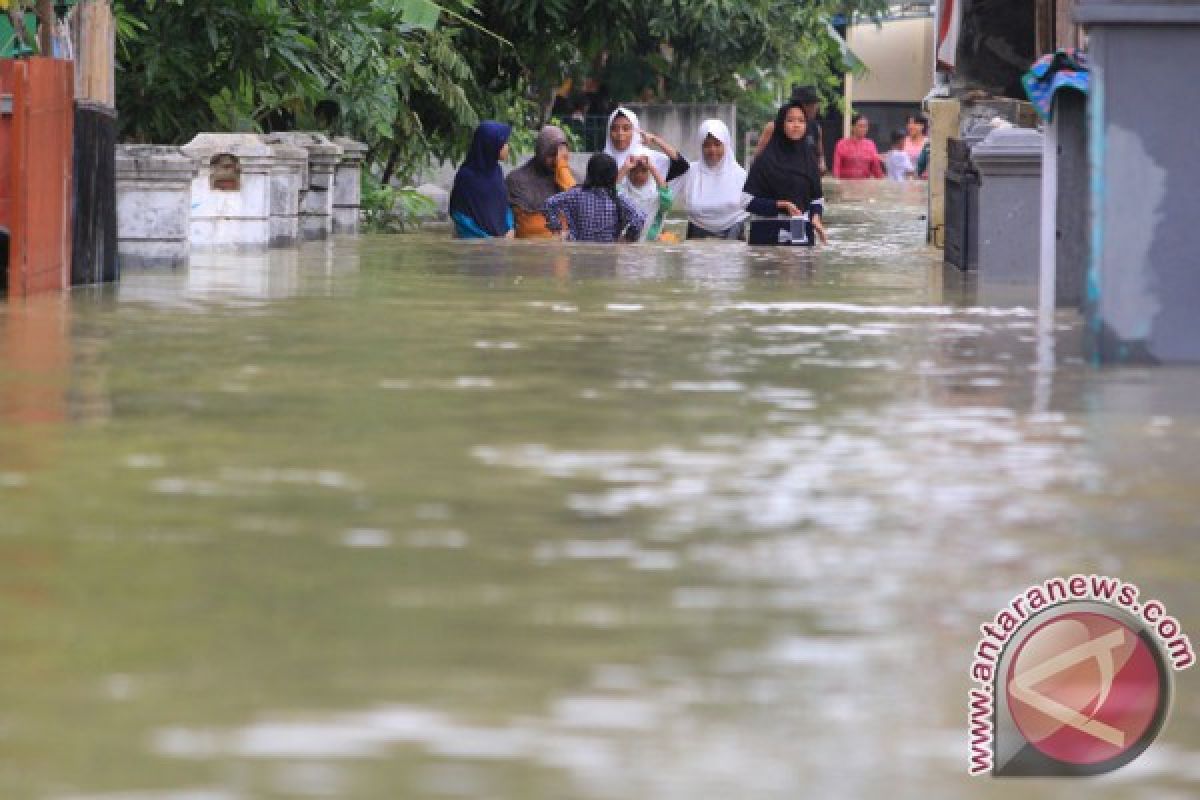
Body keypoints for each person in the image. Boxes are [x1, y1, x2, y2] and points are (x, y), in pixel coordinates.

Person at [743, 102, 828, 245]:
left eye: (801, 121)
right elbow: (746, 201)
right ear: (781, 124)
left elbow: (816, 199)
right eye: (790, 120)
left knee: (800, 265)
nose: (796, 125)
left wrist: (815, 217)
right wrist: (780, 205)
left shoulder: (809, 160)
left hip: (800, 231)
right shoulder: (764, 161)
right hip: (767, 234)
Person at [670, 118, 750, 240]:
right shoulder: (691, 172)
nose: (712, 150)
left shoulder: (740, 175)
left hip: (733, 237)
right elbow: (666, 194)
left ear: (726, 145)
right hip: (697, 238)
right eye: (707, 145)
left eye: (717, 144)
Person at [544, 152, 646, 243]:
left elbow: (549, 203)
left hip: (579, 254)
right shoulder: (617, 198)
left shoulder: (575, 194)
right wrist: (627, 239)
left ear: (589, 173)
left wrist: (557, 229)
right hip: (609, 256)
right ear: (613, 175)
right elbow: (640, 217)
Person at [506, 125, 578, 239]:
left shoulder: (571, 177)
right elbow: (528, 225)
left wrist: (563, 171)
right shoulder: (518, 180)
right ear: (541, 152)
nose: (556, 161)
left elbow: (580, 209)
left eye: (560, 156)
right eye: (551, 155)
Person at [448, 121, 514, 239]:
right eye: (503, 143)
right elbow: (459, 215)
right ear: (490, 146)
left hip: (502, 243)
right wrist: (486, 239)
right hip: (475, 246)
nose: (507, 147)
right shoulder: (466, 177)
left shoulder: (497, 171)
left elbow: (503, 206)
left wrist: (509, 229)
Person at [755, 85, 826, 174]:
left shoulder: (815, 128)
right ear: (802, 105)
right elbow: (758, 157)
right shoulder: (773, 127)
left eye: (815, 104)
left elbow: (820, 153)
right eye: (812, 104)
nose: (816, 108)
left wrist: (822, 163)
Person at [618, 154, 673, 242]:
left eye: (644, 171)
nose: (638, 175)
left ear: (650, 173)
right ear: (628, 172)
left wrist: (652, 168)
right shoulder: (622, 191)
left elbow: (667, 200)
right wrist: (624, 168)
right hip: (624, 244)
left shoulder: (656, 194)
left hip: (649, 245)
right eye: (633, 170)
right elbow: (611, 193)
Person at [832, 114, 883, 179]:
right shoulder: (841, 144)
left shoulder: (870, 144)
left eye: (866, 126)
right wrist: (837, 183)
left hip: (864, 185)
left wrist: (881, 181)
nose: (864, 129)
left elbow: (876, 167)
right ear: (852, 127)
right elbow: (836, 167)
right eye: (860, 126)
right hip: (846, 184)